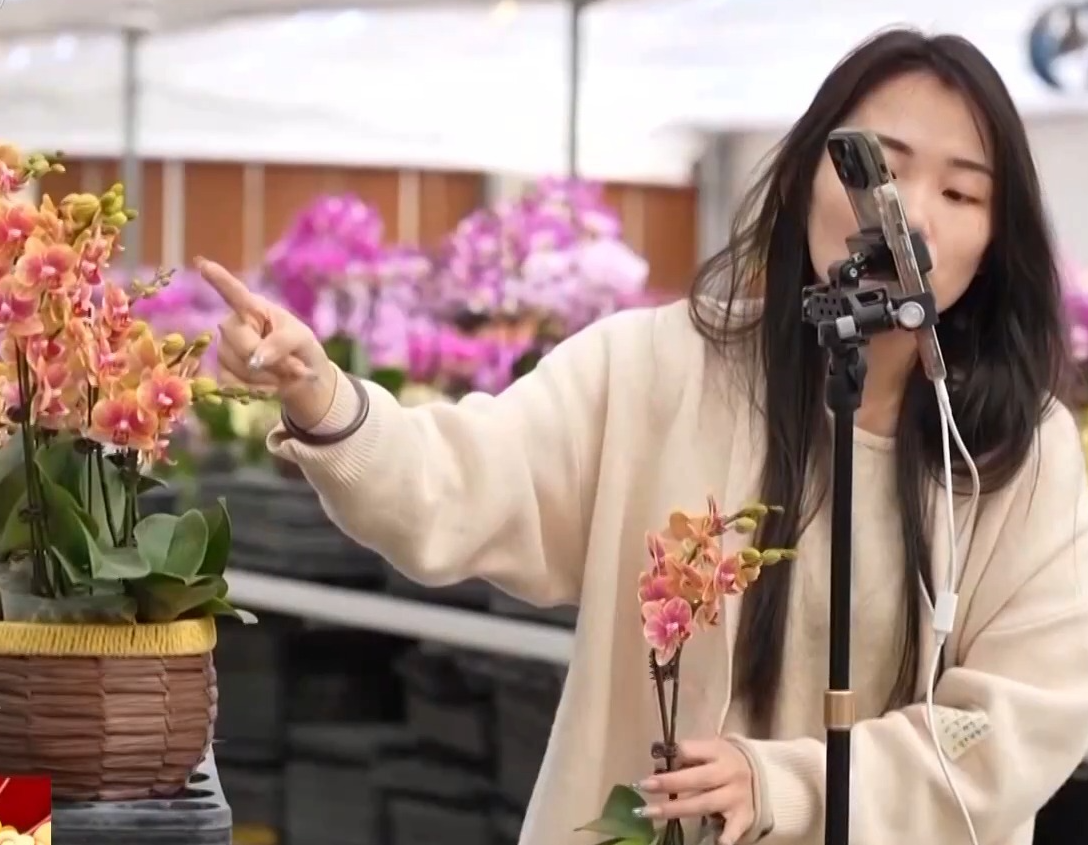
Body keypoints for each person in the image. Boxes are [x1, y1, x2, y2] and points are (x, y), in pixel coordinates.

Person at [196, 28, 1088, 845]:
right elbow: (457, 482)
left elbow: (1017, 719)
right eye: (874, 168)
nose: (912, 214)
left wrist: (789, 784)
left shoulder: (1020, 454)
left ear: (995, 238)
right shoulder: (658, 366)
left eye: (961, 191)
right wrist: (323, 397)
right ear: (803, 175)